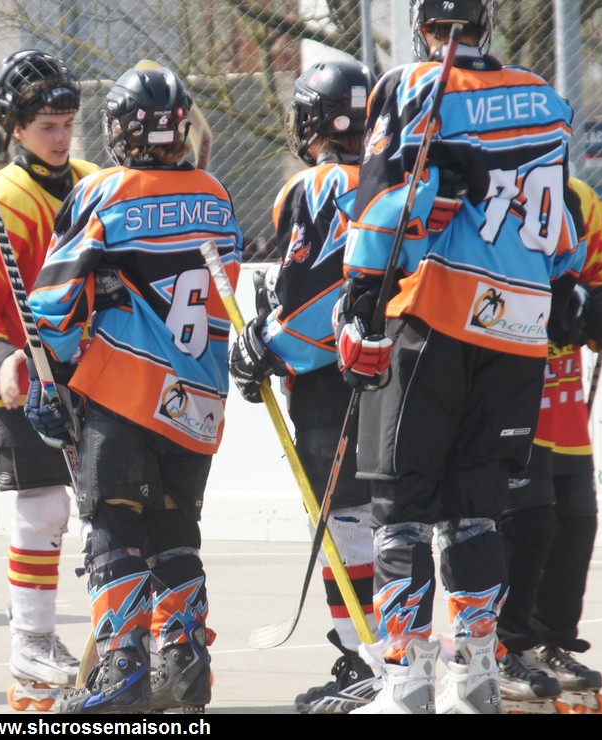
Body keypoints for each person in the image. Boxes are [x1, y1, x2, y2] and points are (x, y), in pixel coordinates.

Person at [338, 0, 585, 714]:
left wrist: (359, 303)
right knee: (475, 510)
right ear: (486, 22)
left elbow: (382, 203)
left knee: (401, 506)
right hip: (519, 329)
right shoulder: (542, 96)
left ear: (422, 25)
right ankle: (474, 675)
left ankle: (407, 680)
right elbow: (562, 223)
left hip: (438, 318)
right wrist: (562, 290)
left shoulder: (413, 84)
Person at [26, 63, 244, 714]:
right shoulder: (215, 195)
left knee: (113, 527)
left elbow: (55, 304)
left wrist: (53, 378)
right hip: (199, 399)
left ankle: (120, 672)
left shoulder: (104, 190)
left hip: (125, 392)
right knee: (175, 531)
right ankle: (184, 667)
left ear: (121, 130)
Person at [0, 49, 99, 711]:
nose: (61, 139)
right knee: (44, 509)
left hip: (92, 380)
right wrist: (0, 361)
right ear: (15, 129)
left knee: (109, 511)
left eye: (67, 125)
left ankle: (122, 633)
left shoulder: (96, 183)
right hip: (23, 383)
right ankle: (31, 642)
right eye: (46, 128)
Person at [227, 59, 379, 714]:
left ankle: (366, 660)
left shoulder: (317, 185)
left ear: (311, 121)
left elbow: (315, 300)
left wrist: (264, 344)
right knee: (397, 521)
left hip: (336, 385)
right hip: (409, 376)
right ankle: (406, 656)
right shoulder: (400, 174)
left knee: (345, 522)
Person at [497, 176, 602, 712]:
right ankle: (503, 645)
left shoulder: (577, 195)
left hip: (563, 400)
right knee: (525, 524)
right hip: (507, 392)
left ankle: (550, 640)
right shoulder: (490, 190)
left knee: (574, 523)